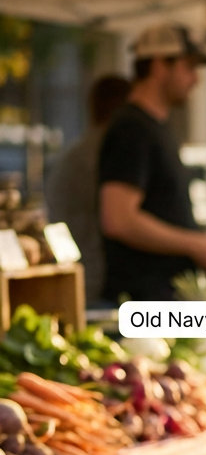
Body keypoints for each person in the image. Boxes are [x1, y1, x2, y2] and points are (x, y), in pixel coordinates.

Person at [98, 23, 206, 303]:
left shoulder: (155, 126)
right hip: (142, 302)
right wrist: (195, 244)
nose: (195, 80)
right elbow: (118, 219)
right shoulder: (131, 128)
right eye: (189, 67)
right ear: (160, 65)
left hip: (164, 299)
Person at [45, 74, 131, 303]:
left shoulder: (77, 153)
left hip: (76, 272)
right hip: (92, 280)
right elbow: (118, 221)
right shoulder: (103, 153)